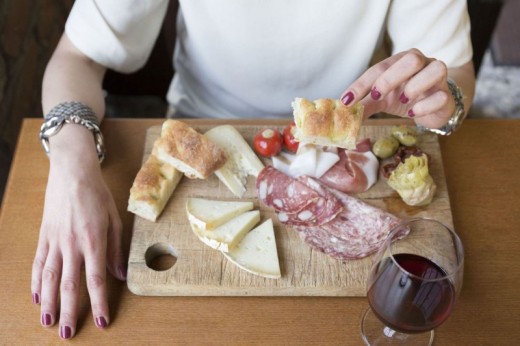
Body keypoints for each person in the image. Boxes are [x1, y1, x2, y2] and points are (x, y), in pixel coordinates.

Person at [33, 0, 475, 339]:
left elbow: (454, 75)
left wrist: (444, 99)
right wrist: (72, 167)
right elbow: (78, 58)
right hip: (199, 129)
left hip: (356, 137)